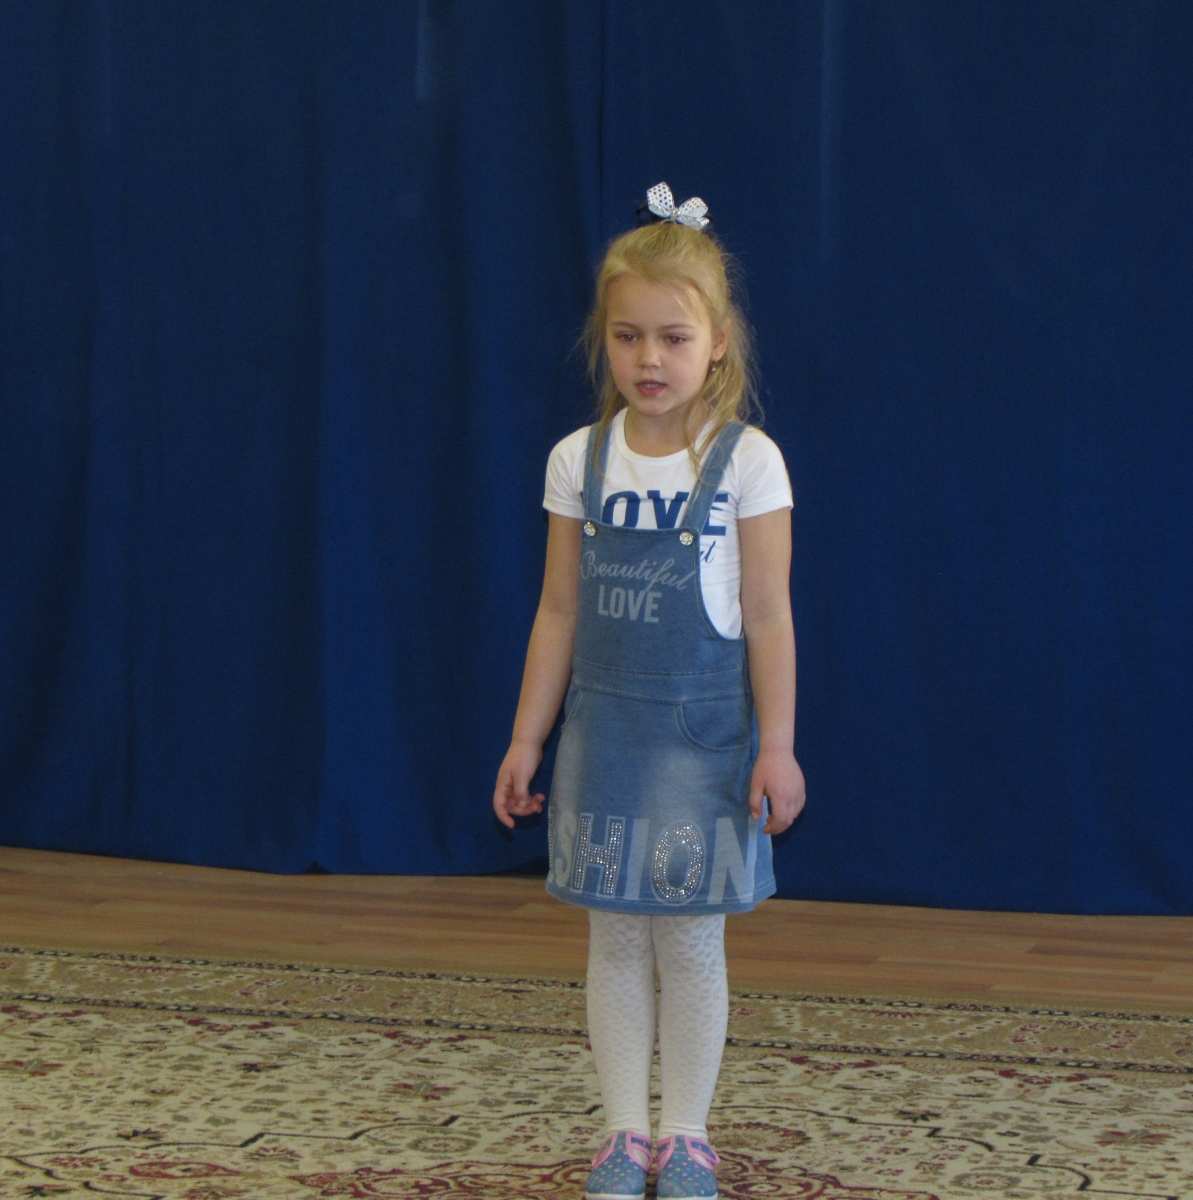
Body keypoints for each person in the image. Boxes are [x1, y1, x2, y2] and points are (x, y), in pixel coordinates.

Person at [493, 184, 805, 1200]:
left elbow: (768, 615)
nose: (649, 359)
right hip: (606, 740)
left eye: (674, 337)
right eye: (628, 336)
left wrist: (777, 745)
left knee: (692, 941)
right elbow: (556, 611)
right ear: (605, 341)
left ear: (717, 344)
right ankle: (625, 1133)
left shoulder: (748, 464)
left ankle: (688, 1135)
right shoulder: (577, 462)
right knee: (616, 938)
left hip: (705, 744)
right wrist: (527, 739)